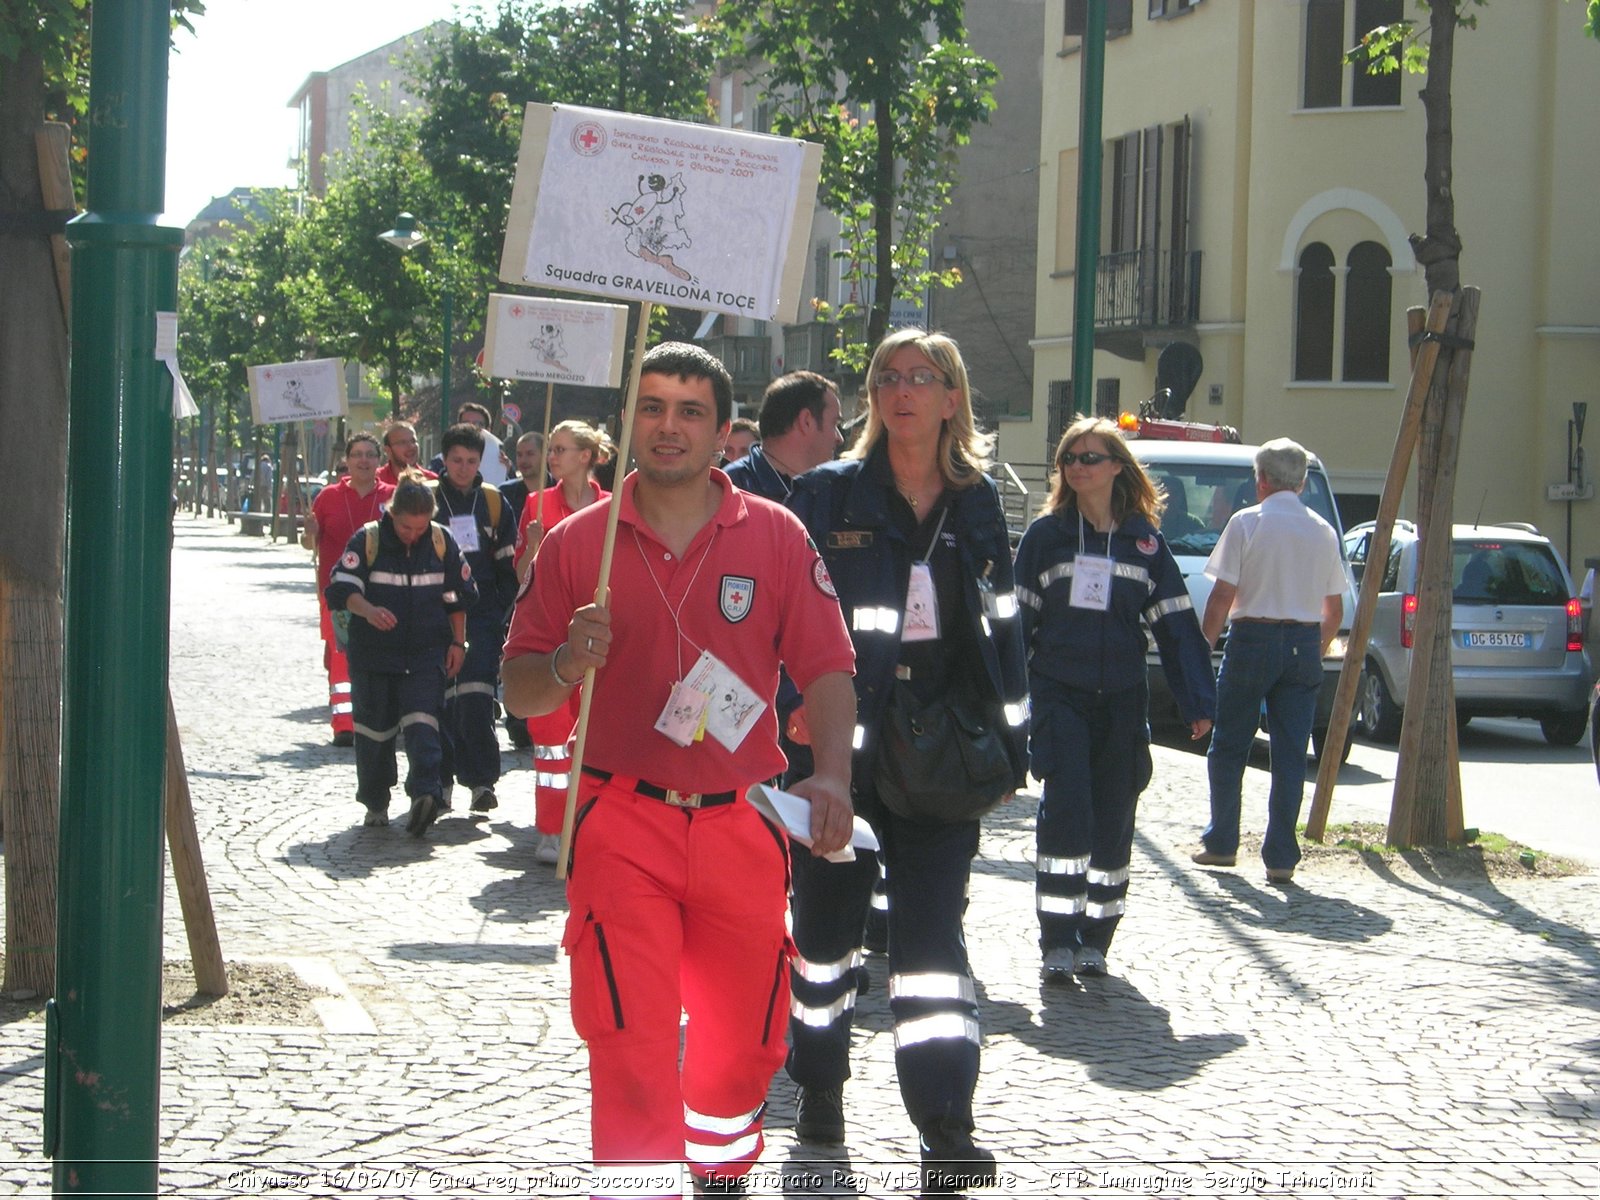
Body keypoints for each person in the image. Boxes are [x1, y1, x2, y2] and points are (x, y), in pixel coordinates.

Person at [501, 342, 857, 1198]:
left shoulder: (776, 535)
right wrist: (562, 667)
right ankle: (641, 1183)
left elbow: (828, 666)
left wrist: (836, 775)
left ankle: (723, 1170)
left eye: (690, 411)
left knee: (746, 1044)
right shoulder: (576, 544)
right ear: (629, 421)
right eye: (652, 407)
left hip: (742, 820)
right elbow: (517, 681)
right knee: (629, 1027)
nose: (669, 427)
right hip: (621, 819)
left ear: (722, 431)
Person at [783, 328, 1028, 1195]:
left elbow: (1001, 629)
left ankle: (946, 1125)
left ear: (953, 397)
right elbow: (787, 622)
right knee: (824, 936)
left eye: (922, 378)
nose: (902, 391)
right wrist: (793, 733)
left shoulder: (979, 501)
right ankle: (818, 1085)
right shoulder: (827, 493)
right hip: (837, 746)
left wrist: (1009, 745)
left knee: (930, 944)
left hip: (939, 752)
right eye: (888, 377)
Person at [1014, 417, 1215, 981]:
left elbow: (1177, 625)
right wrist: (1006, 704)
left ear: (1117, 468)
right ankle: (1057, 938)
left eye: (1089, 458)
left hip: (1123, 700)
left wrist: (1199, 701)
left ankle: (1097, 937)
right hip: (1060, 696)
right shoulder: (1046, 536)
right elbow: (1016, 627)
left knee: (1114, 817)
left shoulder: (1145, 543)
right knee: (1067, 811)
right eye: (1069, 459)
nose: (1077, 467)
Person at [1192, 437, 1346, 884]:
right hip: (1302, 641)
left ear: (1260, 480)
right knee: (1291, 754)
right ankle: (1281, 855)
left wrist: (1203, 648)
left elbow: (1221, 597)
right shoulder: (1322, 530)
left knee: (1230, 745)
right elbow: (1333, 612)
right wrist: (1311, 648)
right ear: (1300, 483)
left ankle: (1222, 842)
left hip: (1252, 638)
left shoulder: (1246, 523)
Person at [324, 470, 475, 836]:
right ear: (392, 515)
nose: (414, 535)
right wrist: (369, 611)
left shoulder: (441, 542)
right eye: (407, 528)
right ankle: (376, 801)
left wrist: (458, 643)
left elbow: (458, 598)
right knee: (374, 734)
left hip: (425, 655)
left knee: (425, 725)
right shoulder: (368, 540)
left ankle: (425, 793)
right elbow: (341, 590)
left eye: (421, 528)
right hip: (374, 656)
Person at [512, 418, 614, 864]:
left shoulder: (612, 506)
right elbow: (522, 579)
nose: (551, 457)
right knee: (551, 738)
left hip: (600, 635)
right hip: (549, 634)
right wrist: (533, 550)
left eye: (560, 449)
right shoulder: (535, 505)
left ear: (587, 457)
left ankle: (590, 825)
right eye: (550, 449)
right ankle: (551, 829)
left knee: (596, 735)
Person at [431, 423, 519, 815]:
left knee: (478, 701)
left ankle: (482, 782)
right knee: (440, 703)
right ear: (444, 460)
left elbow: (506, 565)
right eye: (456, 461)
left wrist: (501, 609)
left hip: (481, 616)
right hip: (434, 617)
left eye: (470, 461)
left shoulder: (494, 502)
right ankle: (440, 782)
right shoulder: (427, 499)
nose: (463, 468)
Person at [302, 434, 395, 746]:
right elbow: (308, 544)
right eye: (357, 454)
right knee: (341, 655)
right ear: (347, 459)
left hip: (382, 590)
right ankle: (343, 723)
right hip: (337, 592)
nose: (364, 460)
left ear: (379, 460)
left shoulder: (393, 496)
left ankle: (379, 717)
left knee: (381, 654)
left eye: (370, 454)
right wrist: (309, 533)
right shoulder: (327, 497)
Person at [724, 371, 843, 500]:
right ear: (806, 421)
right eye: (834, 424)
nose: (840, 438)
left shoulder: (829, 492)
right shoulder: (730, 488)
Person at [499, 430, 546, 750]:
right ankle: (516, 719)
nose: (524, 460)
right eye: (520, 454)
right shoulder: (505, 494)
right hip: (509, 586)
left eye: (530, 453)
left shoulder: (557, 490)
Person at [428, 401, 511, 484]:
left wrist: (506, 472)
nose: (471, 427)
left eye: (478, 424)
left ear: (488, 429)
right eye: (457, 460)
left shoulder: (502, 462)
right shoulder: (438, 462)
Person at [376, 421, 436, 488]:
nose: (411, 446)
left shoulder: (432, 480)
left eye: (413, 441)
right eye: (403, 442)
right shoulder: (374, 480)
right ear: (388, 450)